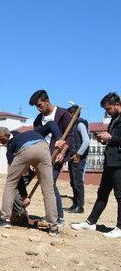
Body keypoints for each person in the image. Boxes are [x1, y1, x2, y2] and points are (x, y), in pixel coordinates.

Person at [0, 124, 63, 234]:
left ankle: (4, 219)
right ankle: (53, 226)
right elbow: (50, 124)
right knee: (49, 191)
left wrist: (24, 196)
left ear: (1, 137)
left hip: (25, 150)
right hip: (44, 149)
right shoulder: (31, 133)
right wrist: (58, 138)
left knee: (10, 183)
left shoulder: (10, 148)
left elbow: (17, 178)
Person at [72, 93, 121, 238]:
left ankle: (119, 227)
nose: (107, 111)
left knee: (120, 196)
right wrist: (106, 140)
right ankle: (90, 222)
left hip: (119, 163)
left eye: (109, 108)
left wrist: (111, 137)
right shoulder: (114, 119)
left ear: (117, 103)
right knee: (102, 193)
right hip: (110, 161)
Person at [29, 90, 75, 226]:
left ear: (47, 101)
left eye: (40, 105)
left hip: (58, 155)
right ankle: (53, 214)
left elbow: (69, 136)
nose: (38, 108)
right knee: (47, 184)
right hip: (42, 155)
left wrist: (62, 152)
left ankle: (59, 217)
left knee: (51, 184)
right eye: (36, 106)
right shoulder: (39, 119)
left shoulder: (62, 114)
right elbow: (36, 138)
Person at [66, 104, 90, 214]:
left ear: (73, 114)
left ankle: (80, 206)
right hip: (72, 157)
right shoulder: (73, 125)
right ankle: (75, 204)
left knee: (78, 182)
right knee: (73, 182)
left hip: (78, 158)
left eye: (69, 114)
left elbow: (86, 141)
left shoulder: (80, 124)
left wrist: (78, 154)